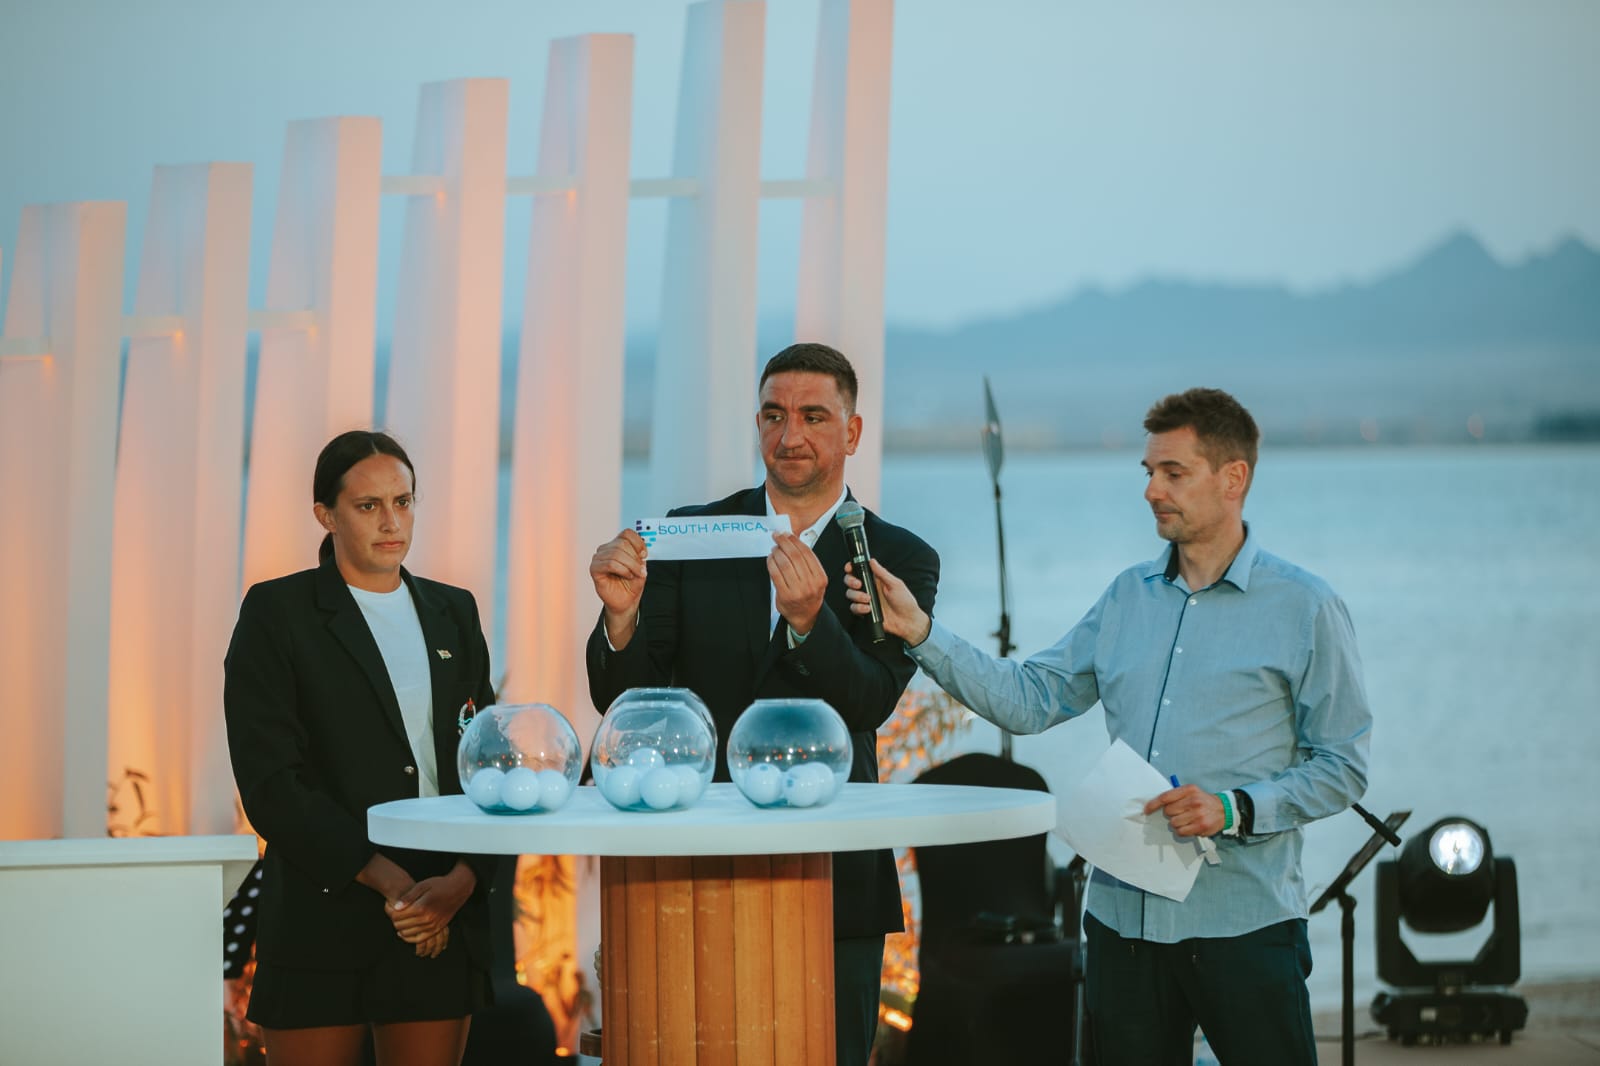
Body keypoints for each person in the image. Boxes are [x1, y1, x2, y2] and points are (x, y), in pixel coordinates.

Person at [846, 388, 1372, 1066]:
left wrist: (1235, 808)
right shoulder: (1126, 597)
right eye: (1149, 472)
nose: (1152, 490)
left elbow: (1343, 766)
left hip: (1245, 925)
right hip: (1121, 927)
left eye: (1174, 472)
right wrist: (920, 630)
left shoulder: (1305, 607)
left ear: (1233, 478)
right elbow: (1030, 699)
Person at [586, 342, 940, 1066]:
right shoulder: (691, 536)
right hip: (697, 858)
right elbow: (628, 704)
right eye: (774, 415)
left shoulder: (899, 556)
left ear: (853, 432)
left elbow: (871, 702)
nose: (790, 435)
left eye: (814, 416)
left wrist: (811, 624)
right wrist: (620, 620)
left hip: (836, 872)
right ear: (757, 425)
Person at [225, 430, 497, 1066]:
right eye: (368, 506)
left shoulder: (454, 611)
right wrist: (387, 880)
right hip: (325, 905)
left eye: (403, 502)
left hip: (437, 907)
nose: (391, 522)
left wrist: (462, 881)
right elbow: (270, 782)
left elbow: (487, 762)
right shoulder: (278, 611)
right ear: (326, 515)